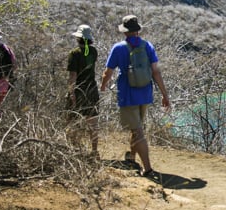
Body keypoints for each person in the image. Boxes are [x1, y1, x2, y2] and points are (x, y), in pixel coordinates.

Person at [100, 15, 170, 177]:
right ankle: (132, 157)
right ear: (137, 30)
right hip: (145, 93)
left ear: (125, 32)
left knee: (137, 131)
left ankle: (148, 169)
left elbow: (108, 72)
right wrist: (164, 95)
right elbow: (156, 72)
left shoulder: (118, 48)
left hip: (127, 93)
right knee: (137, 127)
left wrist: (103, 86)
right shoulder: (148, 46)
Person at [66, 24, 100, 158]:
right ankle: (94, 150)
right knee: (93, 122)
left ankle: (74, 149)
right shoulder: (93, 51)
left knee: (72, 120)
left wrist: (71, 92)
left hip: (79, 89)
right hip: (92, 89)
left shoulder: (74, 54)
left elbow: (72, 75)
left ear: (78, 38)